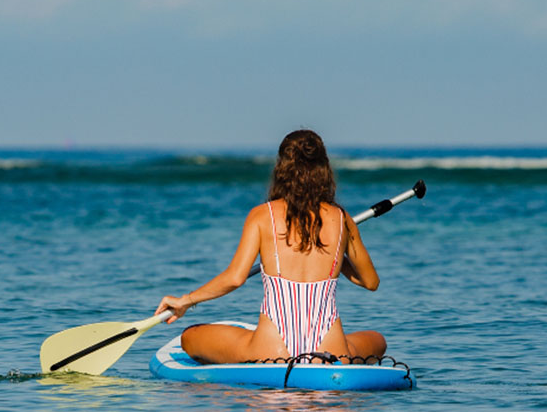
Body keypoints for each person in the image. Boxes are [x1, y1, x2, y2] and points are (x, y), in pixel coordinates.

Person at [155, 129, 386, 365]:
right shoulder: (342, 219)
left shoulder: (262, 216)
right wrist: (335, 253)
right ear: (323, 168)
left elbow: (235, 278)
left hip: (271, 350)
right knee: (378, 340)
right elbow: (371, 282)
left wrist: (186, 300)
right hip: (330, 350)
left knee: (189, 337)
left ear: (282, 168)